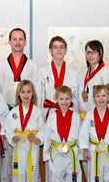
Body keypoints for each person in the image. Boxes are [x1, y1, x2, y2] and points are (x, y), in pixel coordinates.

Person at [0, 28, 42, 182]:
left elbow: (38, 92)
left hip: (28, 116)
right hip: (7, 114)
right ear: (9, 41)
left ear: (25, 42)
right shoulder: (1, 64)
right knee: (7, 160)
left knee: (30, 161)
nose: (17, 42)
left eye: (20, 39)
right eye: (14, 39)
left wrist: (37, 113)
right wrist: (0, 116)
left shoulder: (33, 65)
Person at [40, 35, 79, 181]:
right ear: (50, 50)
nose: (58, 50)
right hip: (49, 113)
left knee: (69, 146)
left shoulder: (74, 71)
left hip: (67, 113)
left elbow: (75, 97)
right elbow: (39, 94)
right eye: (55, 47)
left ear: (66, 50)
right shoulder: (43, 70)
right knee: (52, 146)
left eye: (61, 47)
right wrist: (40, 117)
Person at [79, 84, 109, 182]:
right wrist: (85, 150)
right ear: (94, 98)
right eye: (98, 96)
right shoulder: (89, 115)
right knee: (94, 178)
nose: (101, 98)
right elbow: (83, 134)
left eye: (104, 96)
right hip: (94, 151)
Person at [4, 80, 45, 182]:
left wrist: (38, 138)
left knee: (33, 171)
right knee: (19, 172)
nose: (26, 95)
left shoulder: (38, 111)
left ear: (33, 93)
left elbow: (43, 128)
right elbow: (7, 125)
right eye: (22, 92)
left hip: (32, 145)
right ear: (18, 93)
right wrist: (13, 136)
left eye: (29, 92)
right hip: (19, 146)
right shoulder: (14, 112)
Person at [43, 85, 81, 182]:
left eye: (67, 99)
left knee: (74, 178)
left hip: (72, 152)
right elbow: (47, 136)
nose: (64, 102)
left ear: (72, 99)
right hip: (56, 153)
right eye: (61, 99)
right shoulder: (52, 116)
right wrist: (46, 153)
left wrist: (81, 152)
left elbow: (80, 136)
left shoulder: (76, 116)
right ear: (56, 99)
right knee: (56, 178)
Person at [78, 40, 109, 117]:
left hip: (100, 116)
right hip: (84, 116)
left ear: (100, 54)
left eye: (94, 52)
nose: (90, 55)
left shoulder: (107, 72)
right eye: (88, 52)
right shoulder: (82, 72)